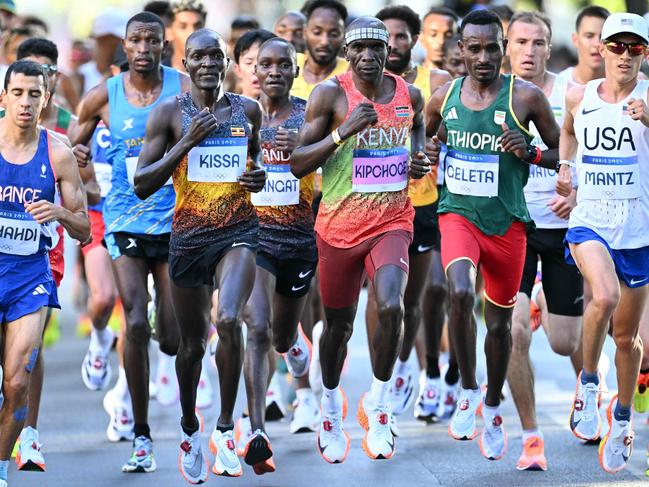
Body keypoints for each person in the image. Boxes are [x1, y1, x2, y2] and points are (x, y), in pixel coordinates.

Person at [291, 16, 430, 463]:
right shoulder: (329, 95)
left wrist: (417, 159)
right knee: (338, 328)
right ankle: (330, 405)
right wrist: (341, 132)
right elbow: (297, 163)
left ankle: (380, 401)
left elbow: (418, 129)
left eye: (377, 47)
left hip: (392, 221)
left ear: (390, 51)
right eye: (359, 48)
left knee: (392, 305)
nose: (368, 55)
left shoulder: (408, 94)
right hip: (337, 229)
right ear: (347, 54)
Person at [425, 9, 560, 461]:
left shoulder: (526, 98)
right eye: (474, 48)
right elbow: (423, 140)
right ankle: (466, 390)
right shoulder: (443, 97)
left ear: (502, 49)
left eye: (491, 48)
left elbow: (560, 153)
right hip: (457, 215)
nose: (483, 57)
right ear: (461, 50)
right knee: (459, 291)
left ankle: (494, 402)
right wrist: (426, 151)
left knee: (500, 328)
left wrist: (532, 151)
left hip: (508, 224)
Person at [134, 28, 266, 482]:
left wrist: (258, 177)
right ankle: (191, 427)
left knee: (229, 319)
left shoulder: (248, 110)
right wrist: (186, 142)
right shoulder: (168, 113)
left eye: (216, 55)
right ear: (185, 64)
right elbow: (142, 183)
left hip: (239, 231)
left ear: (227, 62)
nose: (208, 63)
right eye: (198, 57)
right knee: (190, 347)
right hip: (188, 238)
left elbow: (255, 165)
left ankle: (227, 429)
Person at [72, 11, 188, 473]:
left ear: (163, 44)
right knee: (136, 323)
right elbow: (70, 148)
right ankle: (141, 435)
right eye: (136, 40)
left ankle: (166, 318)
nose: (144, 48)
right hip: (125, 221)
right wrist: (80, 156)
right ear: (126, 44)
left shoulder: (183, 87)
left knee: (174, 339)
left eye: (152, 40)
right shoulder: (105, 94)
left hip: (179, 218)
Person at [558, 12, 649, 474]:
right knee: (604, 295)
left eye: (635, 48)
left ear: (645, 54)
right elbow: (569, 131)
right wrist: (565, 166)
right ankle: (589, 383)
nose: (625, 55)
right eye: (617, 46)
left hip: (637, 229)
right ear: (602, 50)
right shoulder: (580, 95)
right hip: (590, 218)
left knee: (628, 338)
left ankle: (623, 417)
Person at [0, 59, 91, 487]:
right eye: (17, 93)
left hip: (28, 279)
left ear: (46, 100)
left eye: (34, 94)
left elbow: (83, 226)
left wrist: (57, 211)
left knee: (17, 384)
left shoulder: (57, 152)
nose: (25, 102)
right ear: (3, 97)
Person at [236, 35, 320, 473]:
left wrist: (306, 152)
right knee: (258, 329)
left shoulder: (310, 113)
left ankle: (297, 348)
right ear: (253, 71)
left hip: (300, 241)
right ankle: (256, 430)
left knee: (284, 338)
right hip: (254, 237)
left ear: (294, 69)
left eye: (282, 65)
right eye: (264, 64)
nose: (272, 72)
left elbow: (331, 163)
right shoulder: (239, 114)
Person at [504, 11, 584, 472]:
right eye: (521, 43)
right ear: (506, 46)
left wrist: (576, 192)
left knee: (561, 341)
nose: (529, 52)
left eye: (538, 43)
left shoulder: (570, 93)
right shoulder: (487, 94)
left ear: (549, 47)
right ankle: (531, 437)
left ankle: (542, 302)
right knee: (514, 333)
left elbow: (590, 158)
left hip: (558, 228)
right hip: (511, 228)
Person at [371, 4, 452, 423]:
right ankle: (382, 378)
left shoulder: (435, 84)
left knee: (421, 294)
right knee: (384, 299)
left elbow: (452, 129)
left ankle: (404, 365)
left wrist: (436, 146)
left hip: (424, 204)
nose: (394, 43)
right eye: (387, 35)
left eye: (402, 36)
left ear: (413, 42)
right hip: (375, 208)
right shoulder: (358, 86)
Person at [290, 0, 348, 100]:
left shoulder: (351, 73)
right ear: (305, 32)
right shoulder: (289, 64)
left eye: (333, 34)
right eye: (317, 32)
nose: (324, 42)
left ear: (343, 35)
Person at [559, 6, 610, 85]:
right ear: (575, 40)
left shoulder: (626, 84)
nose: (597, 43)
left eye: (603, 36)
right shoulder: (559, 85)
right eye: (589, 36)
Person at [233, 29, 276, 100]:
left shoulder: (297, 109)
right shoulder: (226, 110)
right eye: (249, 63)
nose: (256, 70)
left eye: (266, 64)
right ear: (238, 70)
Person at [167, 0, 206, 72]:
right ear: (169, 33)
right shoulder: (155, 74)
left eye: (198, 26)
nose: (191, 32)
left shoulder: (219, 73)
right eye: (183, 27)